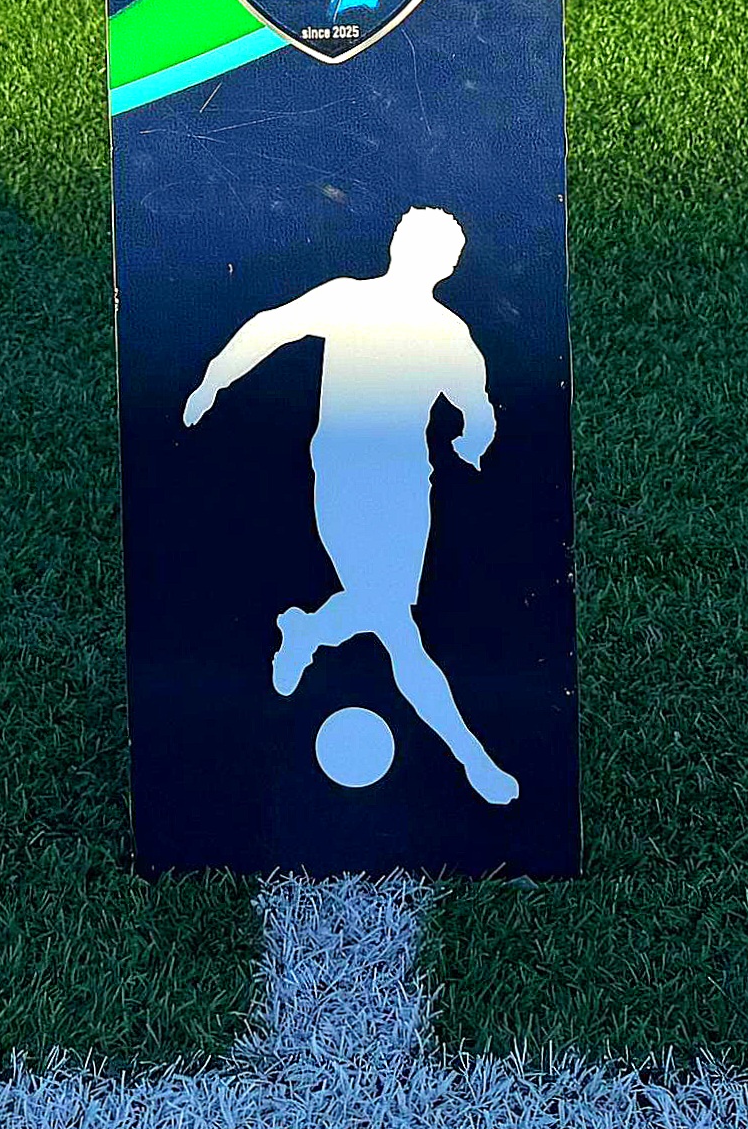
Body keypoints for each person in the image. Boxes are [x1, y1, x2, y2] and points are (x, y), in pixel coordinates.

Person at [182, 205, 519, 807]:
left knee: (384, 611)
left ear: (447, 268)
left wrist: (473, 441)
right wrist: (213, 380)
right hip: (343, 475)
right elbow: (269, 328)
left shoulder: (448, 335)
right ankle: (473, 758)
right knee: (396, 627)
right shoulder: (348, 299)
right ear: (399, 249)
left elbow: (479, 407)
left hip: (406, 486)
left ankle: (305, 630)